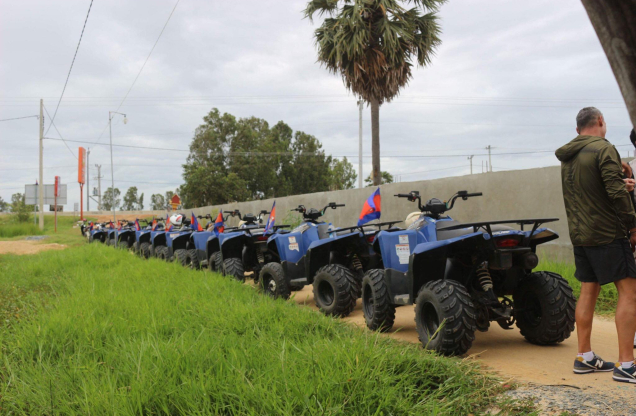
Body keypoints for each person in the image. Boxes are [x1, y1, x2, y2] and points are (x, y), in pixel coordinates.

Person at [556, 107, 636, 384]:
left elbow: (591, 191)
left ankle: (584, 357)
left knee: (589, 290)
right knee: (629, 292)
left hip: (581, 236)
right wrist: (633, 225)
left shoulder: (569, 156)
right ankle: (627, 365)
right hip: (607, 234)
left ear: (578, 129)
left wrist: (621, 183)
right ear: (601, 121)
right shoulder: (604, 148)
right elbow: (613, 193)